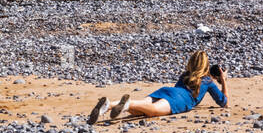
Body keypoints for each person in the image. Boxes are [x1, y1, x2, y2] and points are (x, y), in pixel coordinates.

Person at [87, 49, 228, 123]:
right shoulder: (208, 81)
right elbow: (223, 102)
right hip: (180, 99)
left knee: (142, 108)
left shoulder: (185, 74)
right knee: (153, 111)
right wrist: (223, 80)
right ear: (206, 65)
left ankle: (110, 104)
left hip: (167, 91)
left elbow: (179, 88)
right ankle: (126, 105)